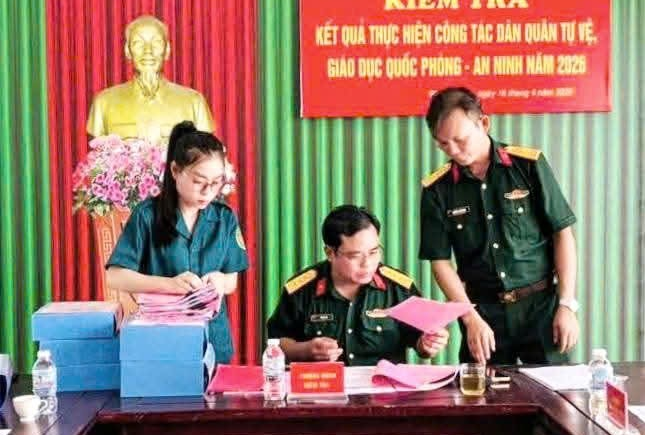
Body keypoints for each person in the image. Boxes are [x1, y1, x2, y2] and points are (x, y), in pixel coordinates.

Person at [419, 87, 579, 365]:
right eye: (443, 144)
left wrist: (566, 304)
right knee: (480, 390)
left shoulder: (528, 166)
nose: (453, 151)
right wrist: (469, 318)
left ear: (483, 123)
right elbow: (440, 263)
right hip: (483, 314)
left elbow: (562, 233)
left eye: (460, 140)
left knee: (554, 389)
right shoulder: (437, 189)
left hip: (541, 308)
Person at [106, 121, 248, 364]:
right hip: (161, 340)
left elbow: (231, 280)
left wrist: (219, 281)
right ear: (175, 170)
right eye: (199, 181)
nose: (208, 191)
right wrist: (169, 284)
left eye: (216, 182)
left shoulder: (225, 218)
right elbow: (115, 277)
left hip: (213, 341)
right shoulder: (147, 215)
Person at [267, 205, 449, 366]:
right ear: (330, 253)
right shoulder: (302, 290)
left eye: (374, 252)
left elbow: (421, 343)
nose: (367, 263)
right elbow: (276, 342)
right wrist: (305, 350)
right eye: (355, 256)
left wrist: (428, 344)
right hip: (325, 388)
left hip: (383, 389)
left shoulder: (398, 288)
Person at [87, 15, 214, 142]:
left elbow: (206, 151)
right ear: (127, 51)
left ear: (167, 50)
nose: (148, 51)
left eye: (156, 43)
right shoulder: (104, 103)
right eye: (138, 43)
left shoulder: (194, 102)